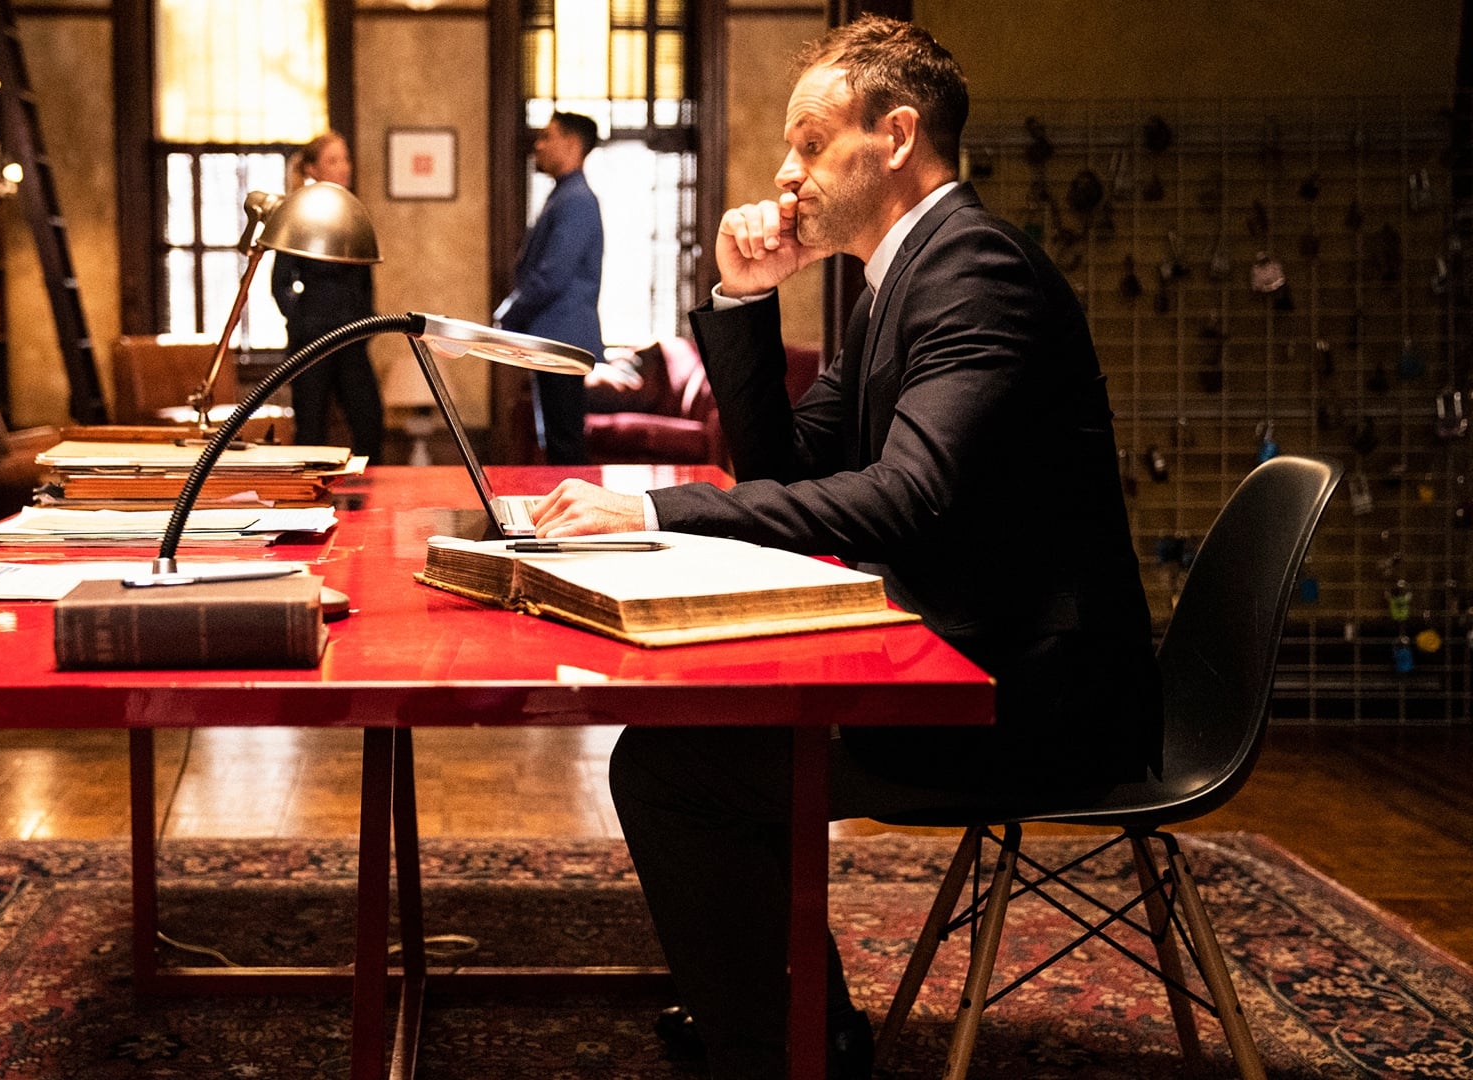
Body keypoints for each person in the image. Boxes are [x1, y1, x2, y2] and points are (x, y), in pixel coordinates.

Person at [530, 17, 1161, 1080]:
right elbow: (785, 466)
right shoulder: (896, 282)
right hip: (963, 656)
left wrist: (650, 514)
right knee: (709, 727)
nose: (787, 172)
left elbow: (907, 498)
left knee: (669, 768)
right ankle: (800, 1026)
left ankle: (777, 1052)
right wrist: (746, 298)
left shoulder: (974, 270)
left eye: (813, 142)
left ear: (898, 136)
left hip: (1031, 697)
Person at [495, 111, 604, 464]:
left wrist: (508, 312)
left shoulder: (576, 199)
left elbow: (552, 275)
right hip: (556, 337)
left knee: (564, 443)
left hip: (562, 339)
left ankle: (575, 501)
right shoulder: (565, 195)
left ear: (572, 143)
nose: (538, 145)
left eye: (547, 137)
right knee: (558, 439)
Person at [272, 131, 385, 461]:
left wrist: (366, 320)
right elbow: (280, 283)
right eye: (333, 160)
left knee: (370, 421)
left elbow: (366, 279)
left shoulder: (354, 214)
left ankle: (371, 489)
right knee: (311, 427)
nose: (344, 167)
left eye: (345, 159)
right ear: (313, 169)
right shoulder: (299, 214)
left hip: (352, 335)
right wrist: (302, 319)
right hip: (312, 340)